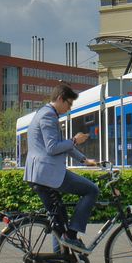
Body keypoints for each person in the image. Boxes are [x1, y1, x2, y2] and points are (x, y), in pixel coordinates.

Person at [24, 83, 98, 253]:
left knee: (59, 219)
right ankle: (71, 236)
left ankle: (62, 261)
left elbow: (63, 146)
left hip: (41, 174)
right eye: (69, 103)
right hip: (46, 174)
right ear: (60, 99)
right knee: (91, 190)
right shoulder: (48, 116)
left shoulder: (46, 113)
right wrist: (74, 140)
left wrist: (84, 160)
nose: (70, 108)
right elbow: (53, 147)